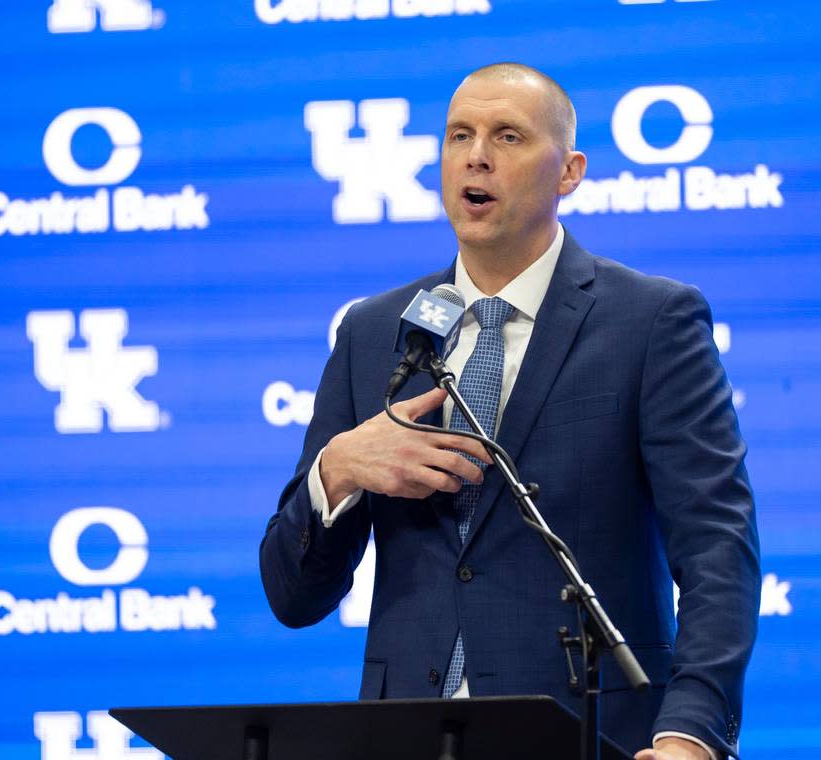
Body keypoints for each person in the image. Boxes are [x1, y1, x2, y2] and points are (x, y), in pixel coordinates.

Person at [260, 63, 760, 760]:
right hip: (410, 736)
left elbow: (716, 548)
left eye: (508, 136)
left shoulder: (651, 322)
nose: (476, 155)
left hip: (590, 732)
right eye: (458, 134)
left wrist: (691, 732)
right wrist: (337, 471)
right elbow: (294, 597)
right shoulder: (374, 334)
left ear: (570, 171)